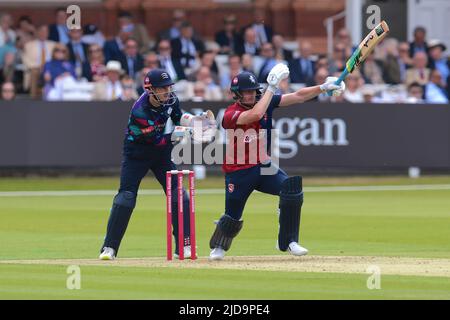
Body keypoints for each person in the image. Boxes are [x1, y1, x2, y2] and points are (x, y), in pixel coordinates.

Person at [208, 63, 346, 260]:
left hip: (263, 167)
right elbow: (254, 115)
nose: (251, 96)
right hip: (238, 171)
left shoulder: (266, 101)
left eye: (254, 92)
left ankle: (289, 241)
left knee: (291, 190)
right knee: (232, 216)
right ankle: (219, 246)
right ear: (237, 94)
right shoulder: (230, 114)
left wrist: (322, 88)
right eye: (246, 93)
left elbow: (298, 96)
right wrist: (271, 88)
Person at [99, 68, 216, 260]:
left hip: (161, 155)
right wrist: (189, 133)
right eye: (163, 89)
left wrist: (194, 121)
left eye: (169, 87)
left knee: (180, 195)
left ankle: (184, 246)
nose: (167, 92)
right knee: (126, 197)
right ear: (151, 89)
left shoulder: (170, 99)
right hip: (137, 154)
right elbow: (157, 140)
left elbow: (177, 117)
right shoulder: (140, 111)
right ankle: (109, 248)